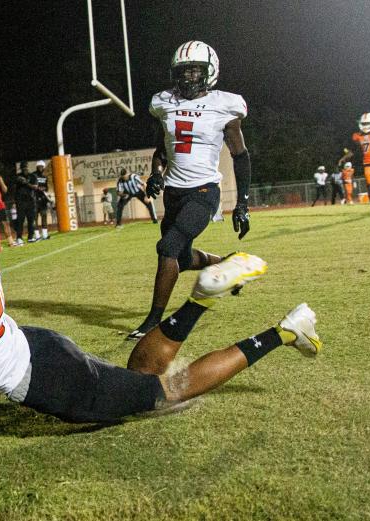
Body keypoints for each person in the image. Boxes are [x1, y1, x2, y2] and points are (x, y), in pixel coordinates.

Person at [0, 177, 323, 426]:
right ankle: (200, 303)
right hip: (37, 347)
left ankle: (283, 329)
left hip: (48, 378)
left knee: (169, 391)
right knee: (141, 377)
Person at [131, 40, 254, 340]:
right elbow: (162, 149)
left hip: (204, 192)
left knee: (167, 248)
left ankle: (154, 322)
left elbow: (240, 156)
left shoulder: (224, 104)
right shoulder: (164, 103)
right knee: (182, 258)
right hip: (174, 192)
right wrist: (156, 174)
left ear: (209, 73)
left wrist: (242, 204)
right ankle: (228, 263)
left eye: (195, 71)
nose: (188, 78)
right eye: (183, 72)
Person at [340, 113, 370, 216]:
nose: (366, 125)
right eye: (364, 123)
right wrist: (343, 158)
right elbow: (352, 151)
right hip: (368, 163)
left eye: (367, 123)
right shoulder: (357, 136)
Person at [12, 161, 38, 245]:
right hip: (20, 202)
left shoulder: (33, 176)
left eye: (25, 167)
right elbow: (14, 189)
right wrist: (14, 201)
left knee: (31, 220)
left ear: (28, 167)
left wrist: (26, 183)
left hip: (31, 201)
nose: (24, 169)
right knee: (20, 220)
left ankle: (30, 237)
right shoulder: (17, 177)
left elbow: (35, 187)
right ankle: (19, 238)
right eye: (23, 168)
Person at [33, 160, 52, 240]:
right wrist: (37, 188)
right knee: (35, 218)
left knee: (44, 216)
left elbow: (46, 188)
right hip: (35, 199)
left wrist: (44, 189)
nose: (40, 168)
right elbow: (32, 186)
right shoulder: (33, 175)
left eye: (42, 167)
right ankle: (37, 235)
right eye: (39, 166)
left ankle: (44, 234)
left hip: (43, 200)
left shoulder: (44, 177)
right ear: (37, 167)